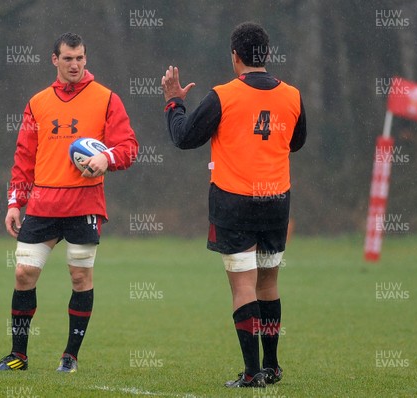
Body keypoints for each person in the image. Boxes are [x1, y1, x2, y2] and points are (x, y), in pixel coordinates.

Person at [161, 22, 306, 388]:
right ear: (267, 55)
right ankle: (272, 367)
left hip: (234, 202)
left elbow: (183, 137)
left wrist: (173, 102)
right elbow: (296, 141)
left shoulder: (223, 95)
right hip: (276, 200)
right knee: (268, 284)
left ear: (235, 56)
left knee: (243, 285)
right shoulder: (292, 95)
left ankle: (252, 372)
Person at [0, 32, 138, 373]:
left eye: (80, 58)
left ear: (86, 59)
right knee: (24, 274)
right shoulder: (37, 102)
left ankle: (69, 357)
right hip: (42, 203)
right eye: (68, 58)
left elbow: (129, 147)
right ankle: (18, 356)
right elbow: (24, 156)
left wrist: (107, 158)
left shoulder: (106, 99)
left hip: (85, 204)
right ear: (54, 60)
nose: (75, 64)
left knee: (79, 277)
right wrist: (16, 202)